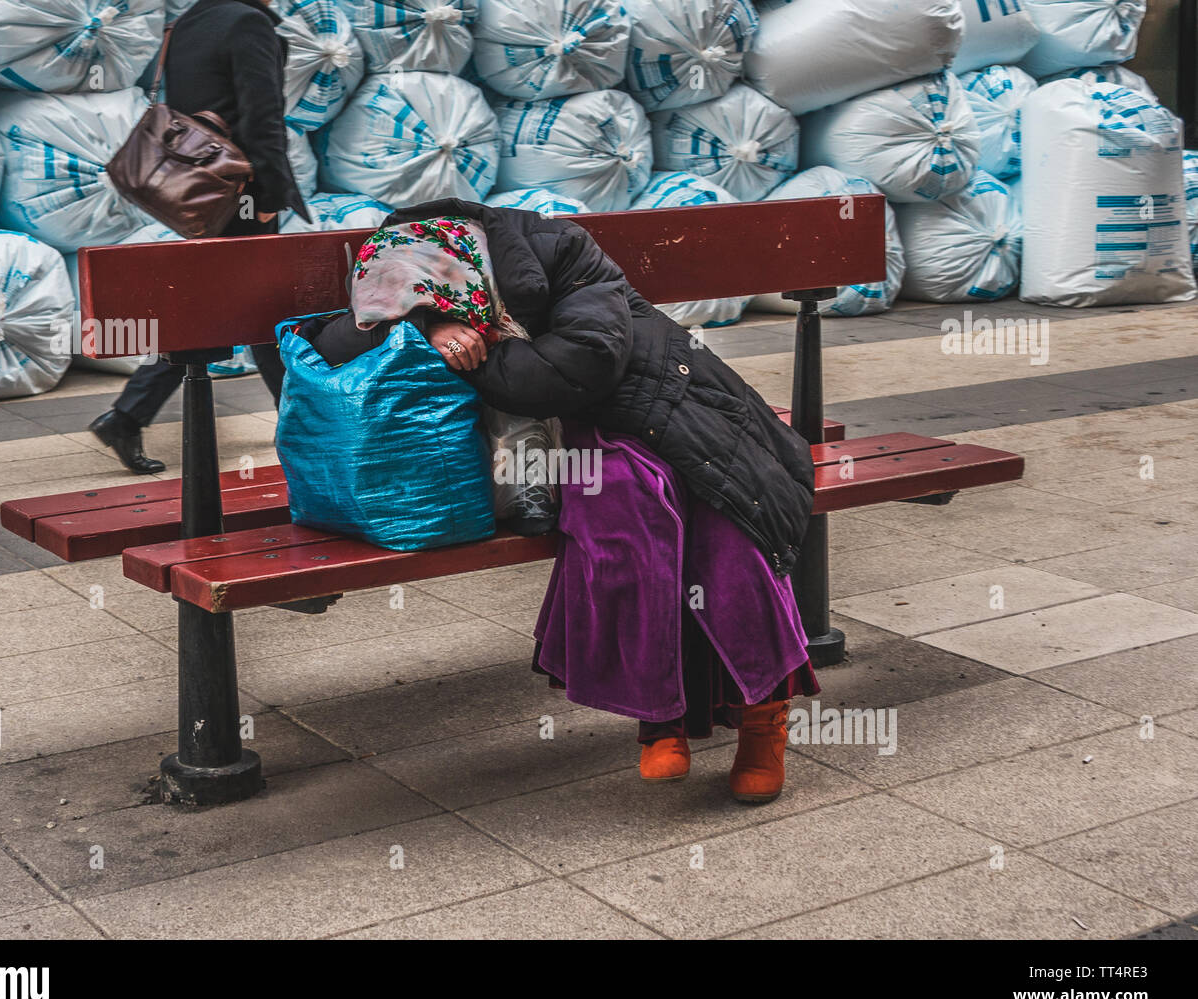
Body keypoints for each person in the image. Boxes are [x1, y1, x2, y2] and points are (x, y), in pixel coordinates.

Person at [301, 200, 821, 804]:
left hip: (681, 403)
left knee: (727, 521)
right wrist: (426, 329)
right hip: (581, 435)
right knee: (626, 510)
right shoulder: (399, 260)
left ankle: (764, 721)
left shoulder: (563, 249)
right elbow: (338, 340)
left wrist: (483, 354)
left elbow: (583, 363)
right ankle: (662, 716)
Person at [89, 0, 310, 473]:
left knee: (226, 310)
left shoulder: (188, 21)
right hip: (240, 191)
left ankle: (128, 416)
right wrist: (270, 195)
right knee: (266, 313)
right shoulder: (248, 23)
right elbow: (261, 118)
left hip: (198, 192)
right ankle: (303, 430)